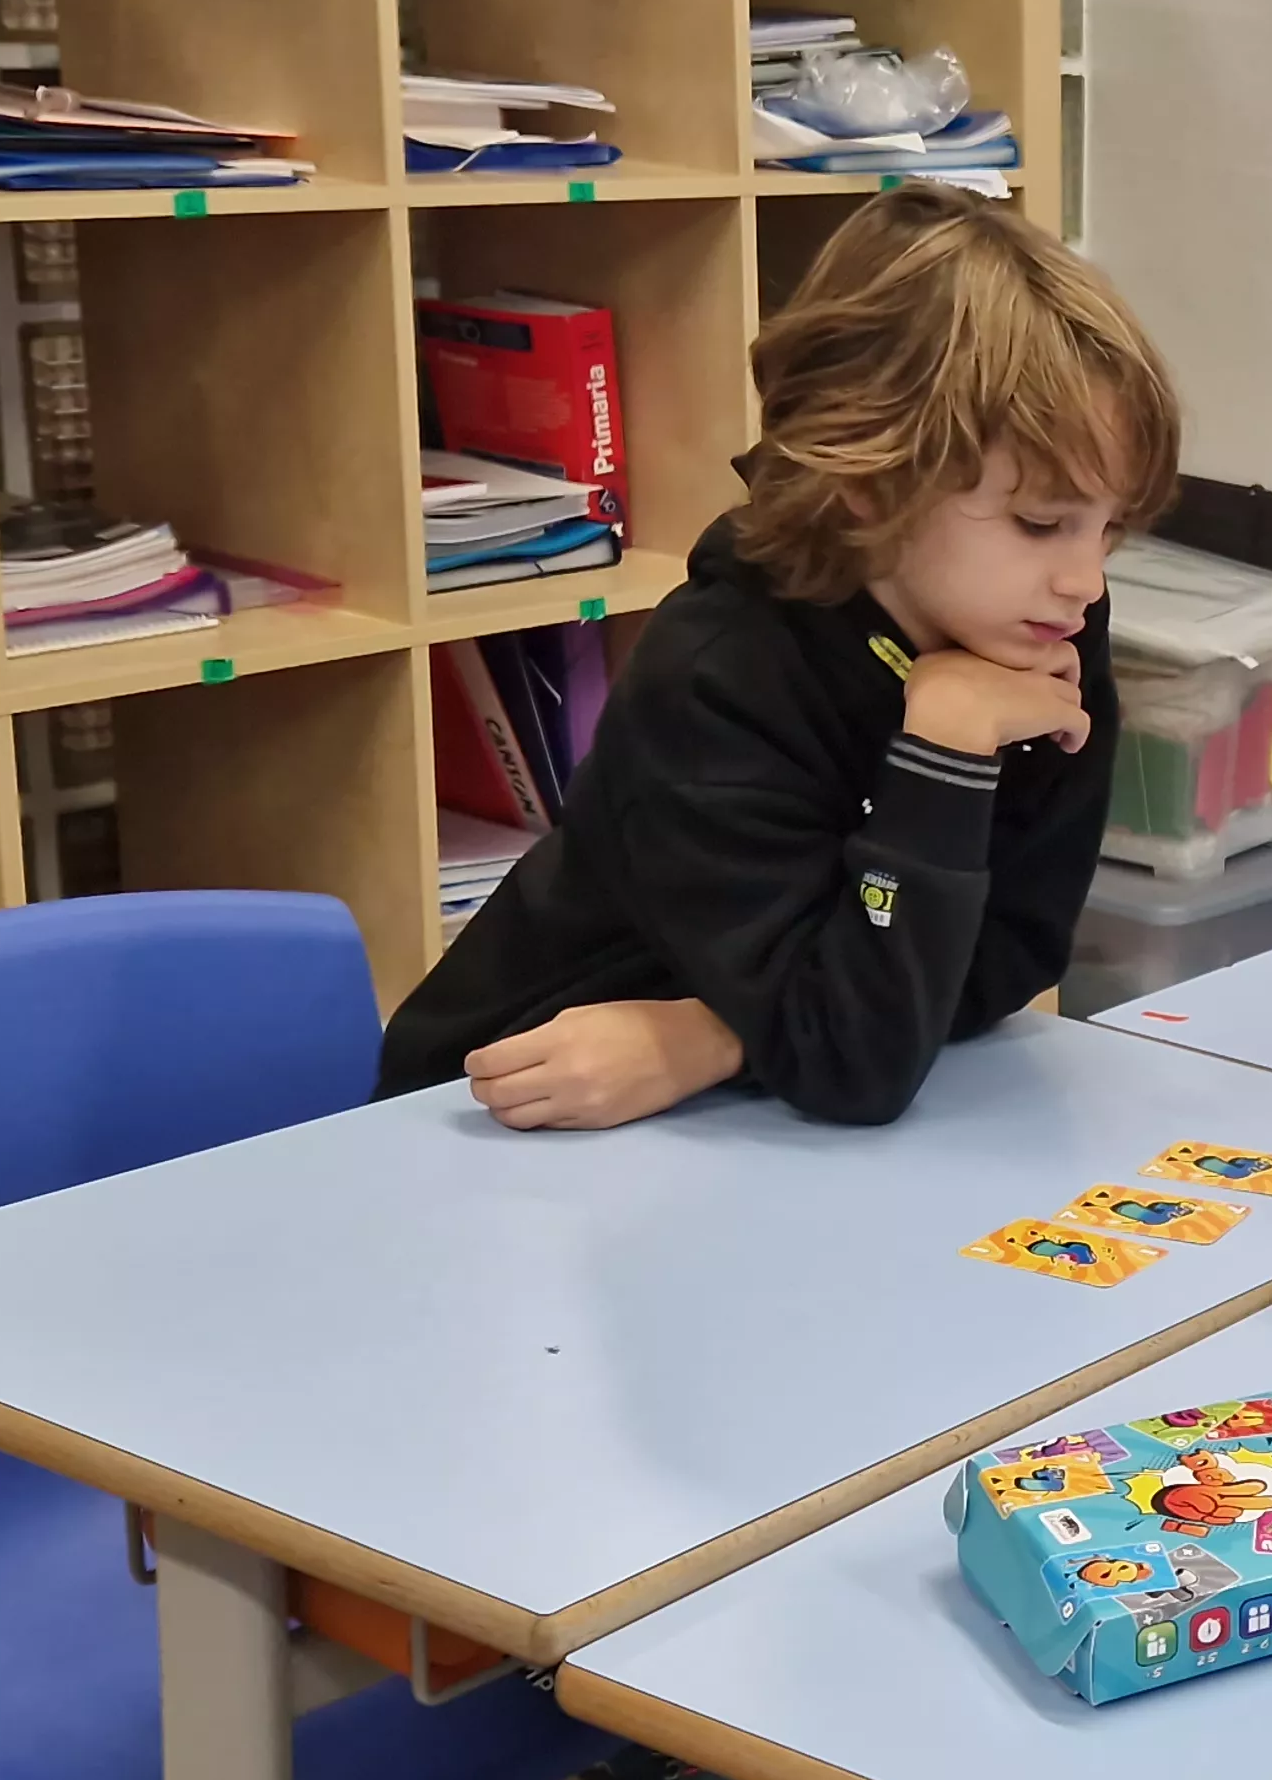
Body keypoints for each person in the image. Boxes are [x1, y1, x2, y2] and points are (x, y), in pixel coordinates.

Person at [377, 184, 1178, 1129]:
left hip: (742, 1106)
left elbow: (1012, 952)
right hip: (523, 1101)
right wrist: (944, 757)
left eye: (1110, 528)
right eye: (1043, 523)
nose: (1085, 580)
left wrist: (716, 1040)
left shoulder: (1037, 623)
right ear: (872, 488)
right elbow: (859, 1069)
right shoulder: (717, 674)